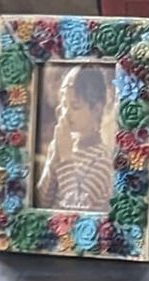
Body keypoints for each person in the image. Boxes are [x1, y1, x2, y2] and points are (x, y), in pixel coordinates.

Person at [37, 65, 115, 211]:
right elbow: (41, 202)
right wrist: (54, 159)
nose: (66, 113)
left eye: (75, 106)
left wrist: (66, 159)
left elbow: (76, 209)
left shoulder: (102, 160)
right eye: (64, 105)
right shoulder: (61, 144)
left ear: (96, 109)